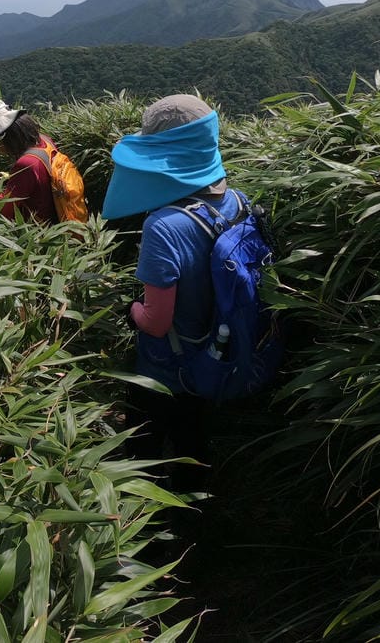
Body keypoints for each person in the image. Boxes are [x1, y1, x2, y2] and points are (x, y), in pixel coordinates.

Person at [102, 94, 247, 487]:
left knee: (142, 448)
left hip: (166, 367)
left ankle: (144, 525)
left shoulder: (163, 226)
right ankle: (197, 511)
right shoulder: (238, 202)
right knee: (193, 438)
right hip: (216, 352)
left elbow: (155, 321)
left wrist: (130, 308)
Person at [0, 98, 58, 223]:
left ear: (3, 137)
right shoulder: (45, 140)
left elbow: (3, 211)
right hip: (56, 217)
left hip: (38, 231)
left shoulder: (27, 164)